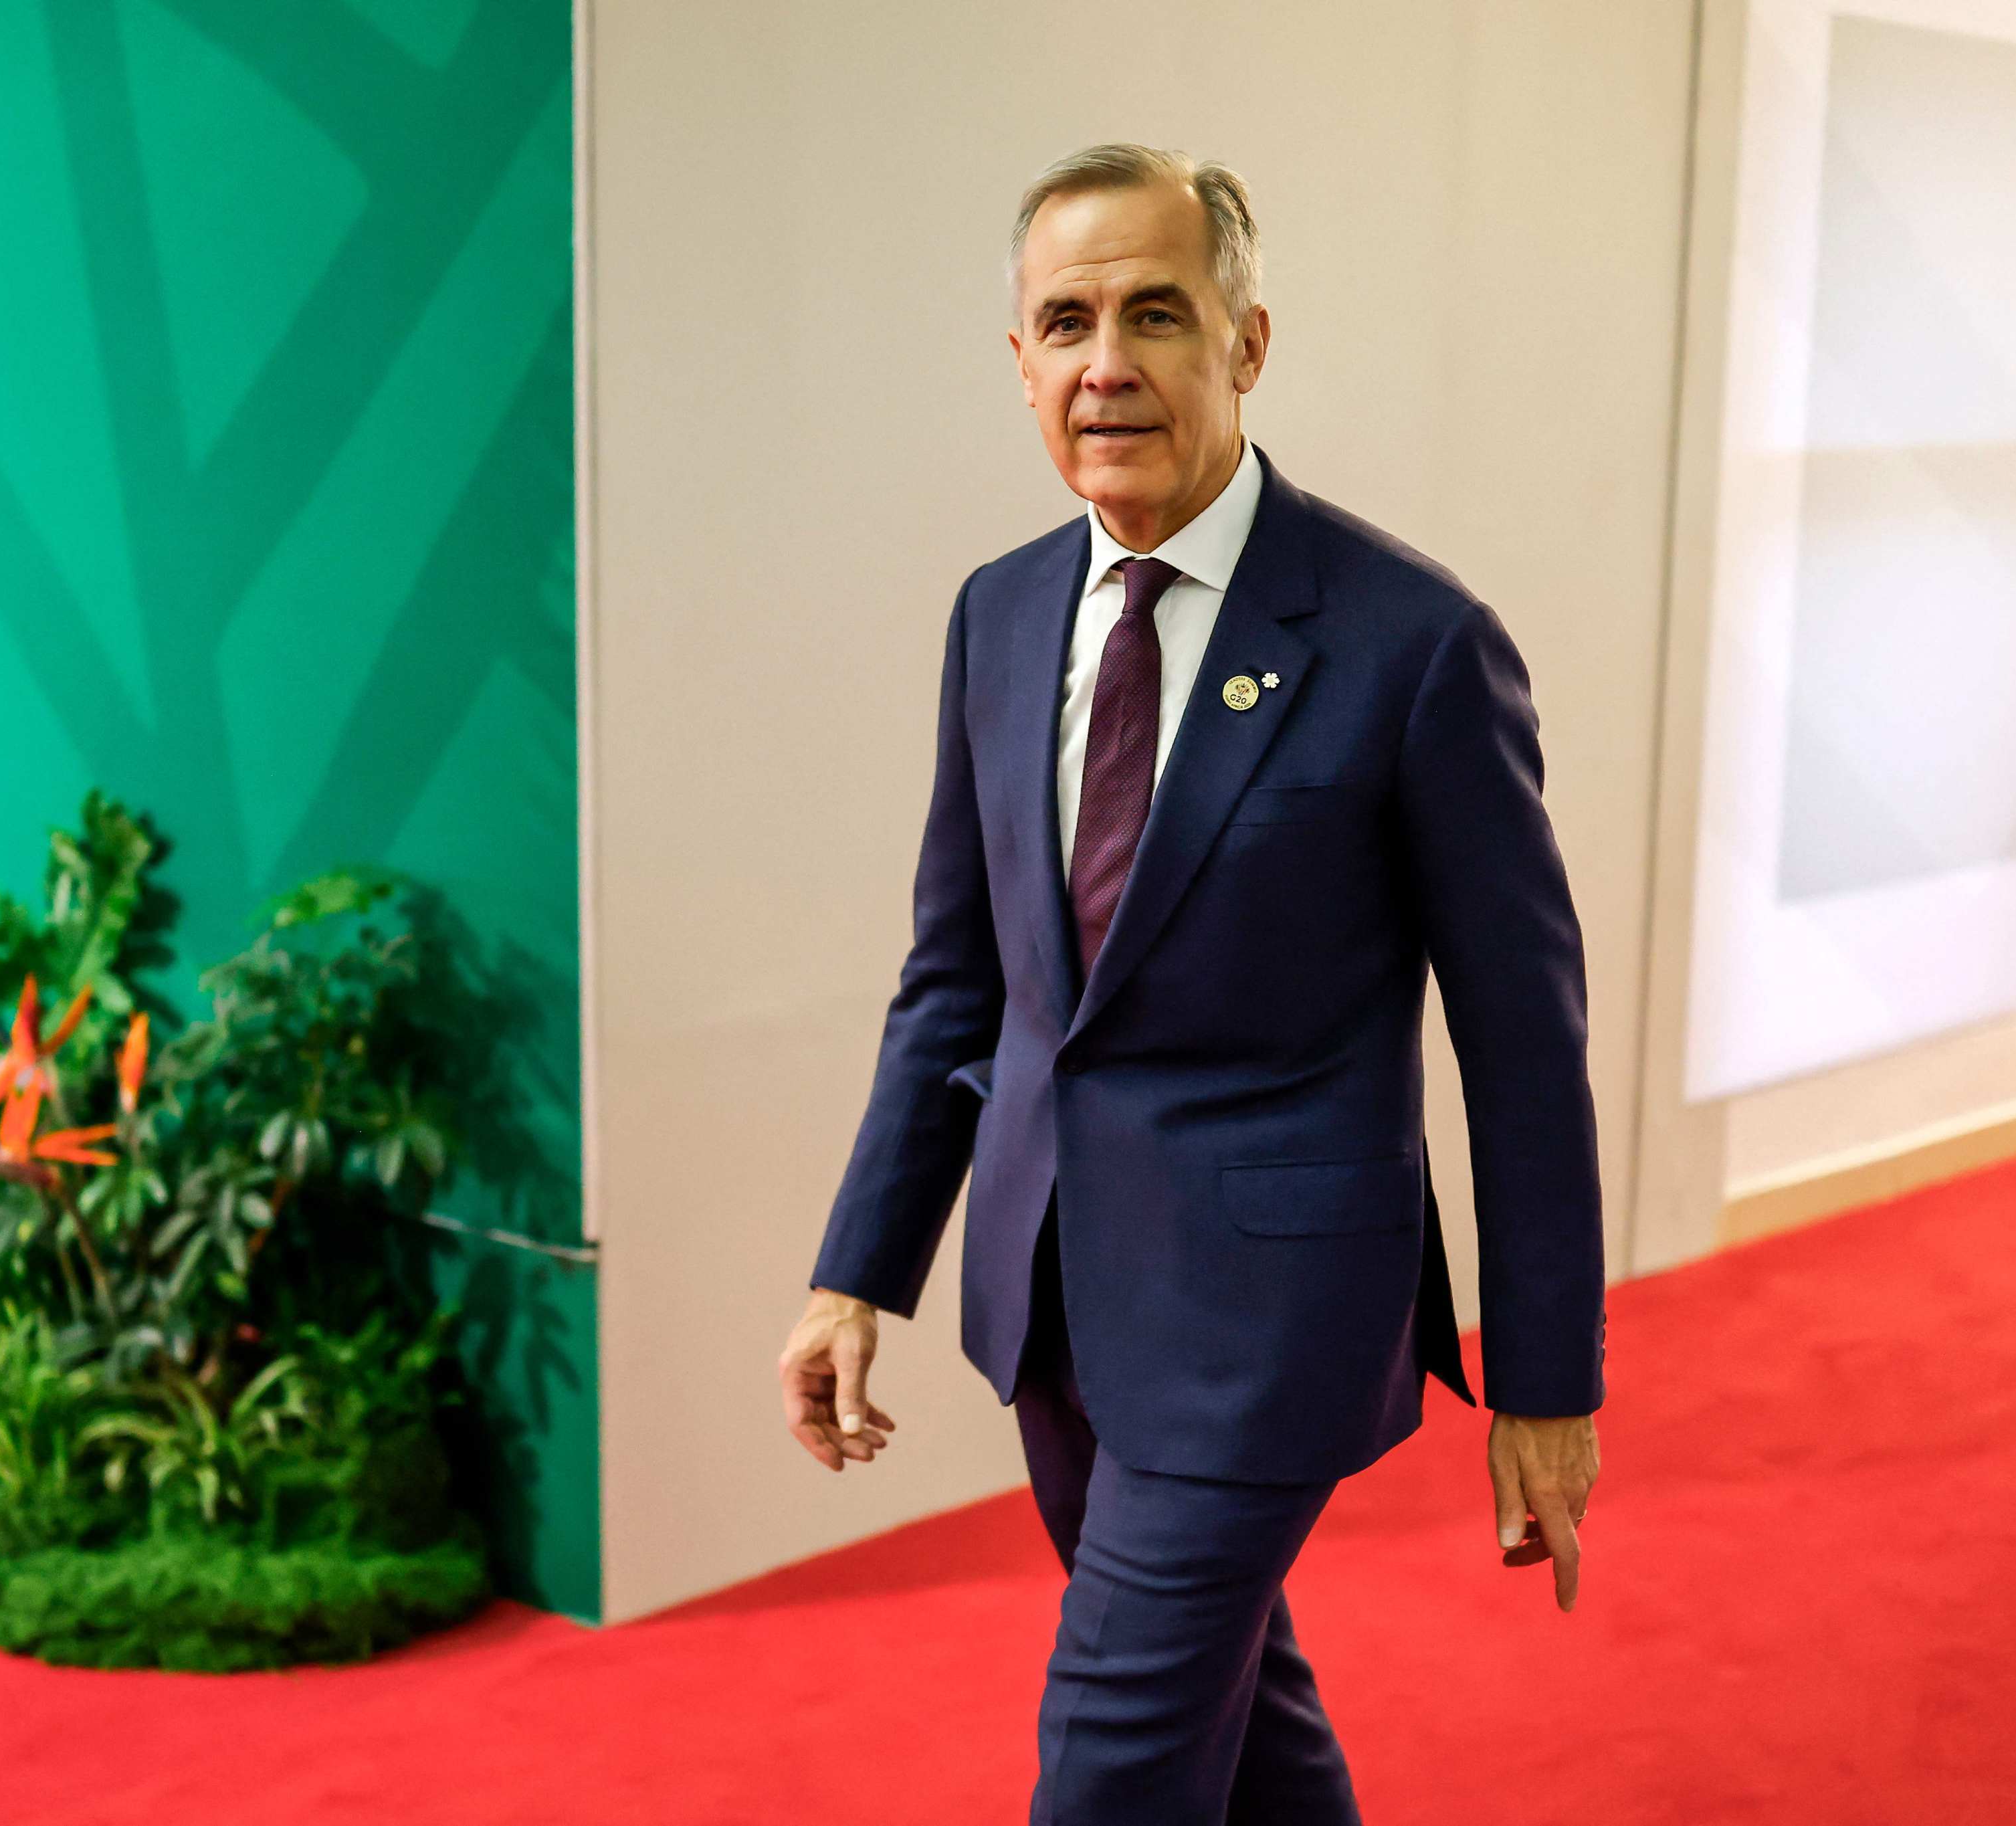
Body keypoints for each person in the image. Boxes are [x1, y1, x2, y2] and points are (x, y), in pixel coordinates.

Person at [775, 142, 1605, 1825]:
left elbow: (1523, 1043)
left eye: (1156, 312)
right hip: (1054, 1305)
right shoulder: (998, 617)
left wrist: (1545, 1377)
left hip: (1267, 1324)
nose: (1108, 364)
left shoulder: (1411, 643)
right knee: (1248, 1725)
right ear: (1017, 363)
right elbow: (958, 982)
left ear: (1245, 339)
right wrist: (861, 1267)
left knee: (1112, 1765)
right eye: (1064, 321)